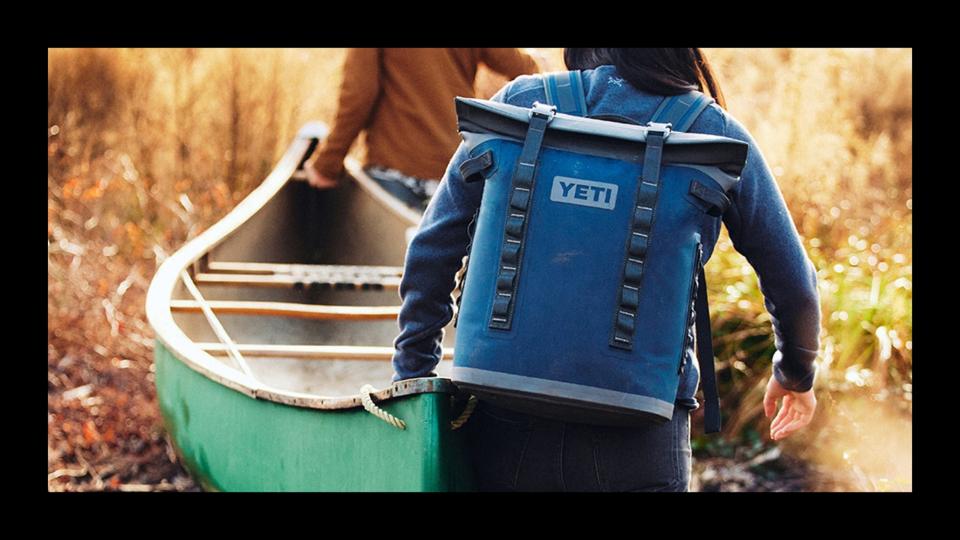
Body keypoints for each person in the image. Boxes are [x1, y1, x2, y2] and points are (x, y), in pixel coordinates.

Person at [391, 48, 821, 491]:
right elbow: (794, 283)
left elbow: (431, 249)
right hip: (640, 430)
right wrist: (795, 372)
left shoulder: (519, 104)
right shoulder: (713, 131)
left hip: (502, 421)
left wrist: (414, 377)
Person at [304, 48, 542, 212]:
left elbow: (359, 96)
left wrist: (327, 165)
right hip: (456, 174)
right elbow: (527, 72)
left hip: (394, 172)